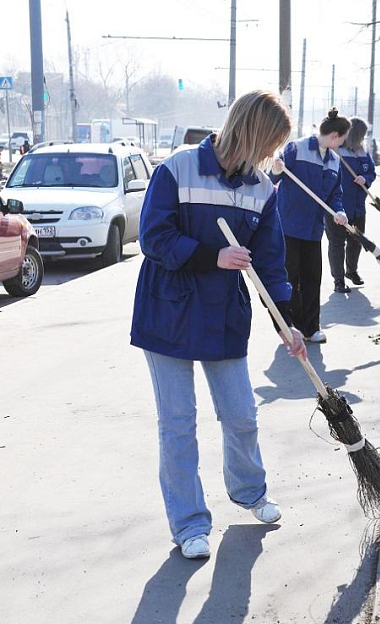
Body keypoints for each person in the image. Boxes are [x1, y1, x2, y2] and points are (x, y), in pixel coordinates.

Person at [130, 89, 306, 560]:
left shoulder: (262, 190)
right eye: (271, 144)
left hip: (224, 315)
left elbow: (271, 263)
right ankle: (189, 525)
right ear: (252, 132)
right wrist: (214, 255)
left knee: (241, 414)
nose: (273, 156)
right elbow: (154, 237)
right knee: (178, 423)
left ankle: (250, 493)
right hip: (169, 310)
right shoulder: (178, 169)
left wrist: (287, 324)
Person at [269, 108, 350, 344]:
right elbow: (273, 178)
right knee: (290, 278)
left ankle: (311, 328)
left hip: (314, 229)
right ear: (335, 135)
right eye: (343, 138)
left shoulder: (334, 161)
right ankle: (290, 327)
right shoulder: (296, 149)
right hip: (288, 226)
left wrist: (339, 211)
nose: (343, 142)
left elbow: (336, 194)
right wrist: (275, 169)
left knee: (313, 277)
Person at [329, 117, 376, 292]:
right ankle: (338, 280)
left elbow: (371, 172)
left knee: (356, 241)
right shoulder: (335, 152)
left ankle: (352, 271)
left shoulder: (363, 153)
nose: (364, 138)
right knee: (337, 243)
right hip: (337, 208)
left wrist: (366, 179)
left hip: (358, 207)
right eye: (362, 135)